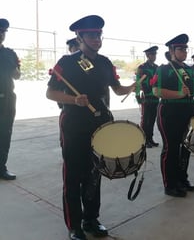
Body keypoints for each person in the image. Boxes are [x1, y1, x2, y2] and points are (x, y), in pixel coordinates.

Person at [46, 15, 136, 240]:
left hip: (100, 124)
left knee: (95, 173)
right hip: (74, 125)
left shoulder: (105, 62)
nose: (96, 39)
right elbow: (50, 93)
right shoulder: (67, 63)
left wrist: (135, 85)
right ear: (80, 36)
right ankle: (74, 225)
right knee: (73, 175)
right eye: (91, 35)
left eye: (98, 35)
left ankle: (91, 218)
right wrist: (73, 100)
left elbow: (117, 89)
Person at [153, 34, 194, 197]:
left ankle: (182, 179)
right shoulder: (164, 69)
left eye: (185, 48)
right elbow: (156, 91)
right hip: (169, 113)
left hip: (188, 111)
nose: (184, 51)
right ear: (171, 50)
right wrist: (179, 94)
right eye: (180, 48)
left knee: (186, 147)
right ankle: (170, 184)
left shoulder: (190, 70)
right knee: (171, 148)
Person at [0, 18, 20, 181]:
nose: (0, 34)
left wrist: (12, 68)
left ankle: (1, 168)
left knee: (5, 134)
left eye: (2, 32)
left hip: (7, 100)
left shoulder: (10, 54)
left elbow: (18, 75)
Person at [136, 46, 160, 148]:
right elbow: (138, 83)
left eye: (155, 54)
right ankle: (144, 140)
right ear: (147, 55)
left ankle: (150, 138)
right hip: (146, 97)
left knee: (153, 119)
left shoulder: (157, 67)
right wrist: (137, 95)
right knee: (145, 120)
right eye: (152, 54)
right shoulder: (142, 68)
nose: (154, 56)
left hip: (155, 97)